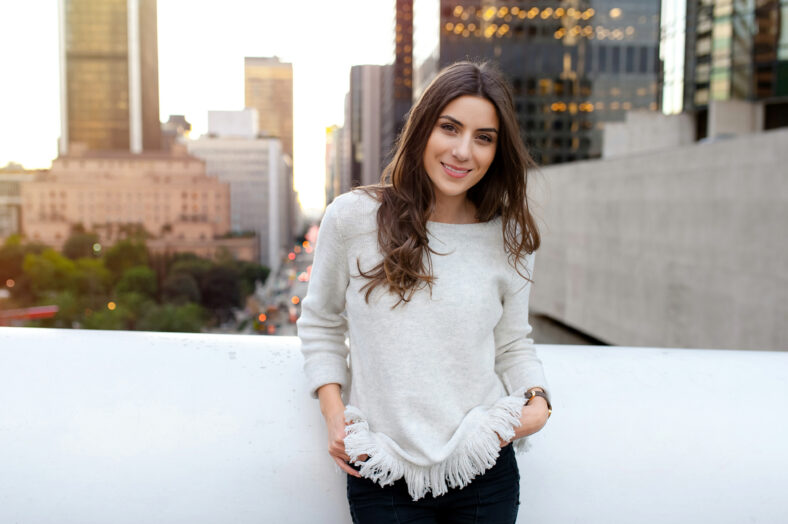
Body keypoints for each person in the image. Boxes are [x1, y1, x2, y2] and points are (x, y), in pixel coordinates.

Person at [297, 61, 551, 523]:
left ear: (498, 150)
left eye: (483, 137)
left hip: (483, 466)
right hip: (381, 468)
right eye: (449, 128)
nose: (462, 151)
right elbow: (321, 322)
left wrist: (538, 398)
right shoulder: (352, 218)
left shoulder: (508, 236)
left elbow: (513, 342)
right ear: (421, 129)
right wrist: (336, 416)